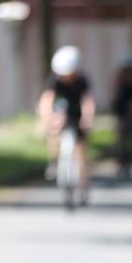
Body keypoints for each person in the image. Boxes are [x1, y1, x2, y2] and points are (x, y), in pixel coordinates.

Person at [37, 45, 95, 203]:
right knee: (54, 131)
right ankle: (54, 160)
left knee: (81, 150)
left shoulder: (82, 80)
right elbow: (47, 100)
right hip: (61, 112)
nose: (65, 78)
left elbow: (87, 101)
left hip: (77, 113)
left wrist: (87, 119)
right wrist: (46, 120)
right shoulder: (54, 80)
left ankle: (83, 183)